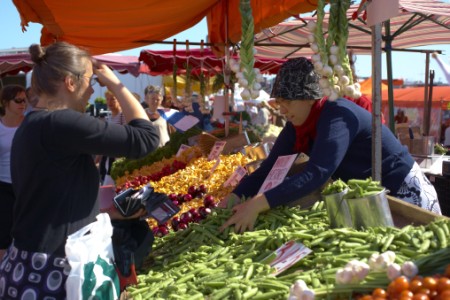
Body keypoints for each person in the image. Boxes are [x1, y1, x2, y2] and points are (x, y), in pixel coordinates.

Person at [0, 42, 160, 298]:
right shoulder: (60, 122)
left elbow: (54, 190)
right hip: (54, 272)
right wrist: (115, 83)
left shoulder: (33, 124)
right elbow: (145, 138)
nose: (93, 88)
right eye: (90, 79)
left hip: (28, 264)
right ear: (70, 83)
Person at [219, 57, 441, 234]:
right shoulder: (297, 126)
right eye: (280, 102)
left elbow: (318, 172)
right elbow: (269, 168)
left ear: (309, 97)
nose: (282, 109)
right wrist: (234, 198)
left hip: (403, 191)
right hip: (370, 196)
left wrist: (258, 204)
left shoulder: (337, 115)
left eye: (288, 101)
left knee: (415, 256)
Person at [0, 85, 26, 260]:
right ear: (4, 102)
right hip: (3, 187)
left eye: (25, 100)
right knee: (3, 235)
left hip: (26, 186)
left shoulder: (30, 123)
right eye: (18, 100)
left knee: (24, 233)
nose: (23, 104)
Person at [98, 89, 126, 185]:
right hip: (109, 158)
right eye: (108, 99)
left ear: (118, 100)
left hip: (120, 158)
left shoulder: (123, 116)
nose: (109, 102)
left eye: (113, 99)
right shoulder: (108, 118)